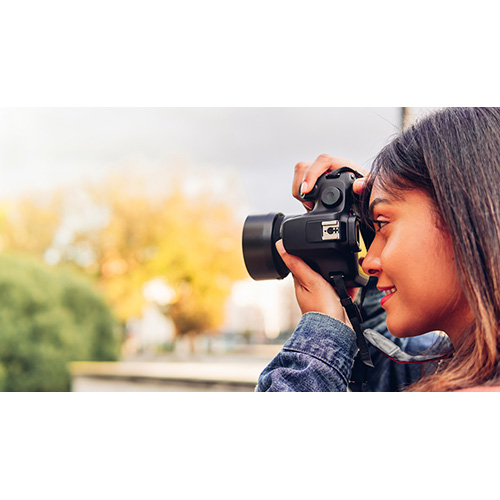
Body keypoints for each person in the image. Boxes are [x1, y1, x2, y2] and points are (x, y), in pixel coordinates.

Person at [256, 107, 500, 392]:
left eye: (381, 225)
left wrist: (321, 336)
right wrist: (366, 205)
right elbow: (389, 366)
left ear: (465, 214)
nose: (367, 262)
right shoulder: (459, 365)